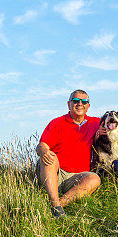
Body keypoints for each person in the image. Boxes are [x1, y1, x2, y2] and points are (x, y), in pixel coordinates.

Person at [36, 89, 101, 218]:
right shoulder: (57, 123)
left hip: (77, 177)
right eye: (75, 100)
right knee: (50, 157)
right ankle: (54, 203)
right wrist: (44, 152)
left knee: (94, 179)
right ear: (69, 104)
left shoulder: (96, 123)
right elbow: (41, 146)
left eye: (84, 101)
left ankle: (58, 207)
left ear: (88, 106)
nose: (79, 104)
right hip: (56, 173)